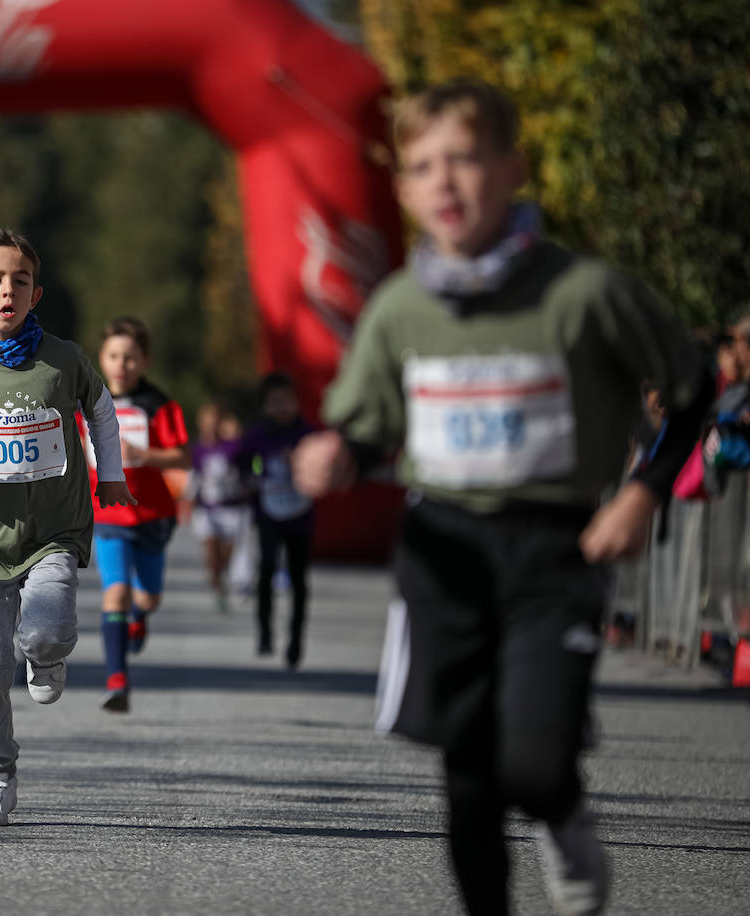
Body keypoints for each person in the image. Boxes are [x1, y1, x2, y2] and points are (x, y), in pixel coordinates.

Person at [292, 80, 713, 915]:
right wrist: (337, 454)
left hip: (556, 549)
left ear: (514, 166)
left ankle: (564, 813)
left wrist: (642, 494)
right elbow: (371, 427)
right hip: (444, 550)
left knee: (535, 764)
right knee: (471, 777)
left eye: (466, 159)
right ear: (405, 192)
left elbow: (693, 390)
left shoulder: (583, 293)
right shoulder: (401, 308)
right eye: (422, 167)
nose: (445, 182)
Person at [0, 228, 133, 826]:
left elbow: (103, 412)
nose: (7, 289)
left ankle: (47, 655)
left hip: (55, 530)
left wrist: (109, 475)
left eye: (21, 280)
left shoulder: (62, 358)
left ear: (35, 294)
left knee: (45, 629)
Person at [84, 316, 190, 713]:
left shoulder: (159, 406)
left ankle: (140, 618)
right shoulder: (88, 403)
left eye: (130, 358)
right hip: (109, 515)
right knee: (117, 591)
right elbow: (78, 451)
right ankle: (117, 680)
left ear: (144, 362)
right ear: (102, 358)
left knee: (148, 597)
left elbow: (183, 456)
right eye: (114, 356)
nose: (121, 365)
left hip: (153, 516)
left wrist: (143, 455)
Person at [239, 373, 316, 668]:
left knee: (298, 578)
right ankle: (265, 632)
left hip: (300, 514)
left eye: (287, 401)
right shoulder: (257, 436)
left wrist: (299, 461)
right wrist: (256, 472)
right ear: (265, 406)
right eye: (275, 402)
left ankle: (296, 638)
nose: (282, 407)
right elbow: (245, 463)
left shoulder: (308, 434)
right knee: (267, 569)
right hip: (268, 513)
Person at [185, 402, 250, 613]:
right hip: (207, 509)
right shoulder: (198, 449)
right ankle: (218, 588)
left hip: (232, 508)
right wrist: (188, 500)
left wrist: (253, 480)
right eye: (207, 422)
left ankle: (224, 577)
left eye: (215, 421)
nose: (210, 426)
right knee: (211, 550)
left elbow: (254, 463)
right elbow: (193, 476)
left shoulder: (235, 447)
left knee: (226, 556)